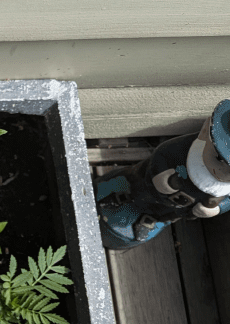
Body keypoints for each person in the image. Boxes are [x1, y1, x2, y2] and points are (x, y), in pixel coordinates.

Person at [95, 99, 230, 249]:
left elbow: (227, 202)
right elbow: (163, 154)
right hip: (148, 184)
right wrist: (161, 176)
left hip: (175, 208)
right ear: (205, 131)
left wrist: (217, 208)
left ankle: (148, 221)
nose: (224, 173)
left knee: (166, 214)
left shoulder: (223, 189)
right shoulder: (189, 150)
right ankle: (119, 195)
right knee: (138, 190)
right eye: (219, 159)